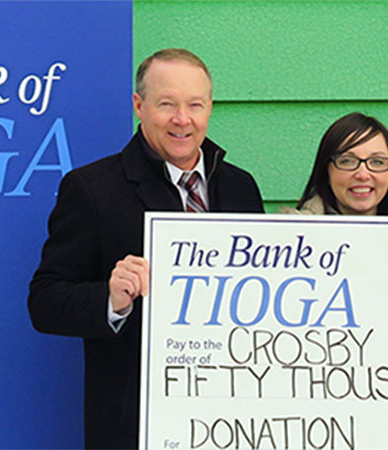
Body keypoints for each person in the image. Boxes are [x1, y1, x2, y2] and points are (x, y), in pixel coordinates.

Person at [27, 49, 264, 449]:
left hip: (231, 424)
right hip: (137, 428)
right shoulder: (92, 190)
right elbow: (45, 301)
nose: (182, 120)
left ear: (210, 108)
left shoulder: (242, 188)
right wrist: (111, 299)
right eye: (167, 104)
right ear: (139, 105)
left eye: (195, 105)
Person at [282, 112, 388, 215]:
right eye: (347, 161)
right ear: (326, 172)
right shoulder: (290, 239)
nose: (362, 175)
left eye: (377, 162)